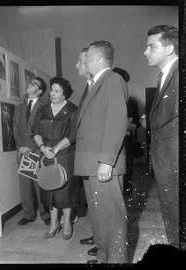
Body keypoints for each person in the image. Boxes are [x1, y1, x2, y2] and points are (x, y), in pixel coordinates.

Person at [74, 40, 128, 263]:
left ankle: (115, 260)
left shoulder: (112, 79)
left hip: (103, 163)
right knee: (99, 218)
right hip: (90, 162)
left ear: (97, 58)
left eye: (84, 58)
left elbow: (116, 121)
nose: (81, 63)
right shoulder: (94, 84)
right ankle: (105, 257)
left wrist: (106, 161)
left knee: (112, 219)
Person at [32, 77, 80, 240]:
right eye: (52, 90)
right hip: (46, 154)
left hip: (65, 154)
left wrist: (56, 148)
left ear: (65, 94)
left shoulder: (73, 110)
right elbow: (35, 131)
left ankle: (67, 223)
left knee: (65, 192)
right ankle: (53, 224)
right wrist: (43, 148)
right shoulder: (42, 110)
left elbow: (73, 135)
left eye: (57, 91)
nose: (52, 93)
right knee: (49, 189)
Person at [144, 25, 178, 248]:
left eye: (151, 46)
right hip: (166, 159)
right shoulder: (164, 75)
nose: (145, 52)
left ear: (170, 48)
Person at [13, 77, 50, 226]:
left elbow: (44, 130)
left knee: (39, 184)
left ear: (40, 91)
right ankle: (28, 214)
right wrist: (20, 146)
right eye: (30, 82)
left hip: (36, 150)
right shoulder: (19, 107)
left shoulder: (45, 107)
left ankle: (45, 213)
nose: (29, 84)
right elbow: (15, 128)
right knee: (25, 185)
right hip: (22, 151)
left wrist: (32, 147)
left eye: (34, 84)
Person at [75, 47, 95, 246]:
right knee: (94, 204)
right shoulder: (89, 86)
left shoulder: (103, 84)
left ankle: (102, 241)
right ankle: (98, 237)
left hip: (96, 156)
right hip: (87, 156)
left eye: (81, 61)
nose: (77, 65)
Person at [113, 67, 141, 196]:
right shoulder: (104, 99)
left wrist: (130, 125)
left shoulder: (131, 102)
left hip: (126, 142)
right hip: (109, 143)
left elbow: (136, 123)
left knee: (126, 169)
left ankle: (126, 193)